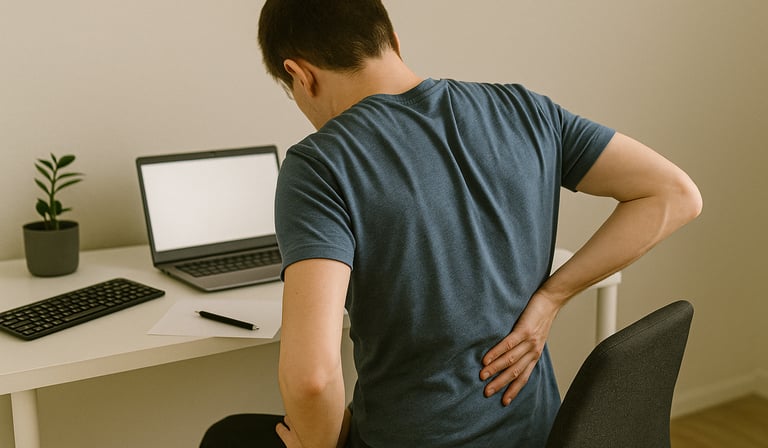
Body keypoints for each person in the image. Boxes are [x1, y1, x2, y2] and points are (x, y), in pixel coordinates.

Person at [200, 0, 703, 447]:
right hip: (540, 433)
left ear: (300, 74)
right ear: (393, 40)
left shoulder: (320, 163)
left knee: (226, 437)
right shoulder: (525, 110)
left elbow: (311, 377)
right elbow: (675, 194)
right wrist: (551, 297)